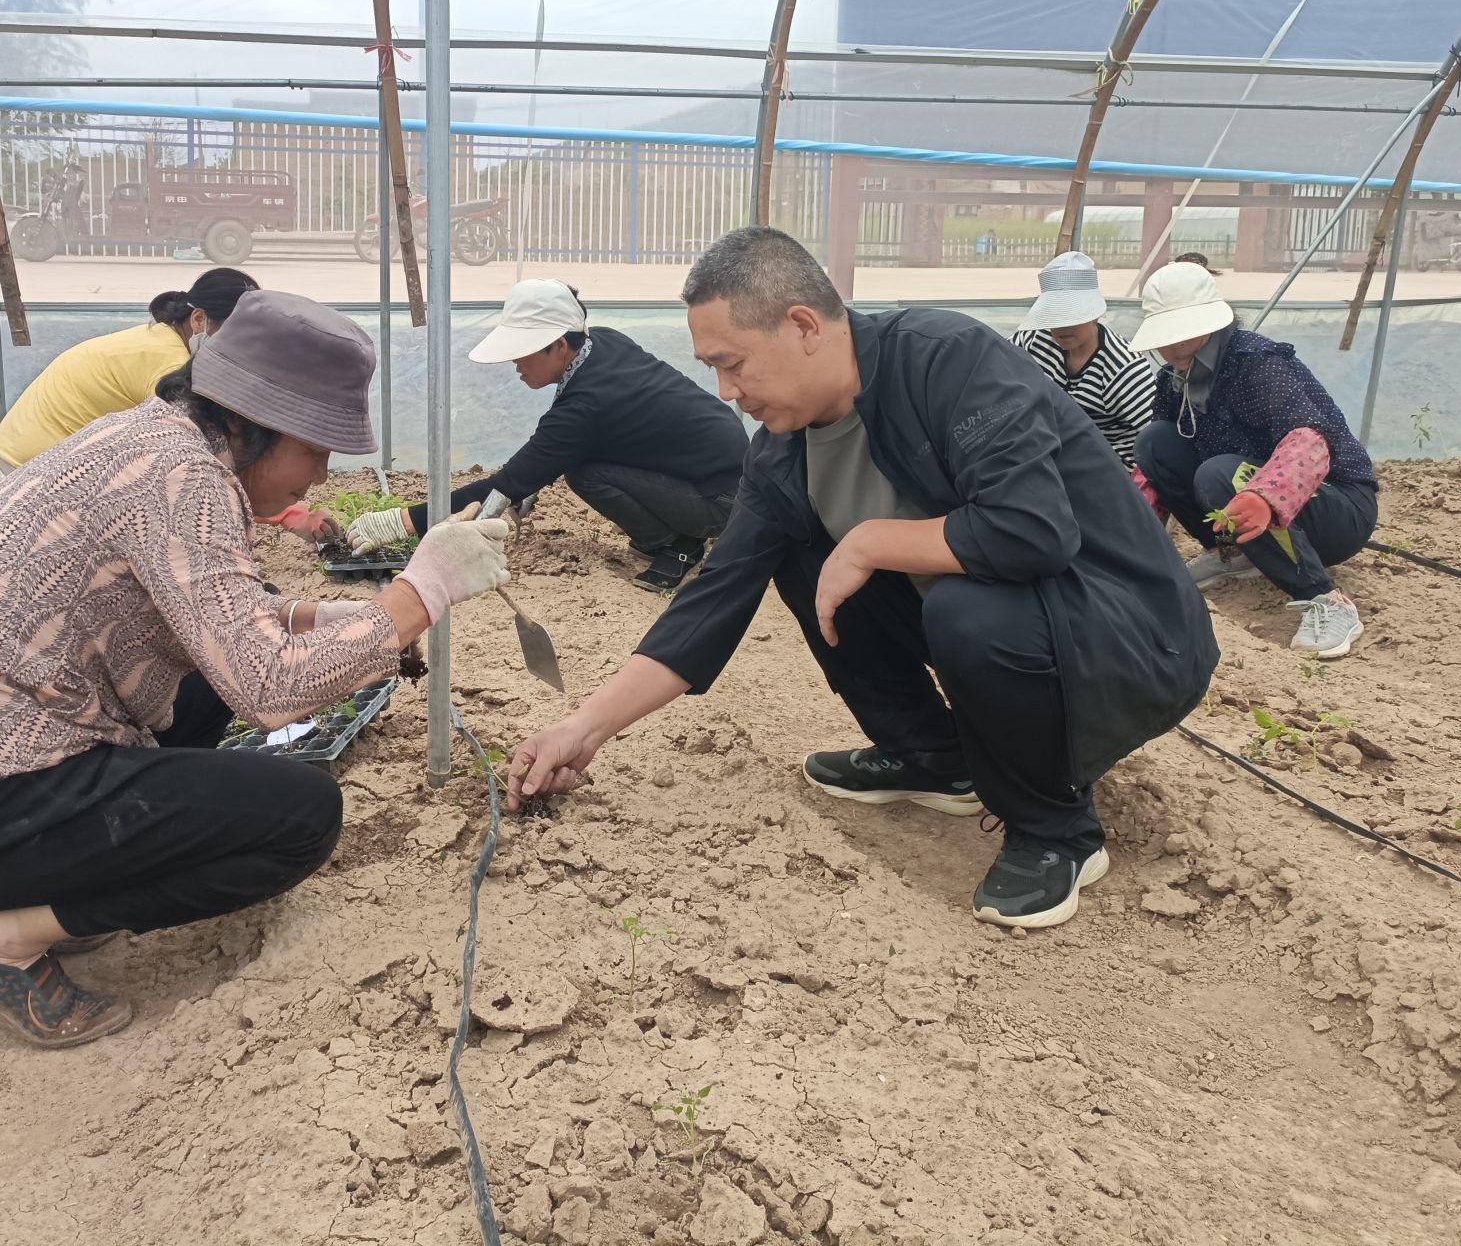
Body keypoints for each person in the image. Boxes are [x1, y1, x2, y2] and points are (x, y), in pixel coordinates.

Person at [0, 292, 512, 1049]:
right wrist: (421, 593)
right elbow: (269, 688)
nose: (323, 473)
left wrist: (329, 619)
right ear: (258, 423)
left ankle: (53, 883)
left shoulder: (158, 439)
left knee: (200, 689)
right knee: (299, 817)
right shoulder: (184, 481)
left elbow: (214, 613)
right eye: (316, 446)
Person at [502, 230, 1217, 931]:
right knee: (803, 556)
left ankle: (1057, 829)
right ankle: (936, 759)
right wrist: (582, 729)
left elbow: (1034, 529)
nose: (726, 392)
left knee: (964, 607)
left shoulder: (945, 359)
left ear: (803, 326)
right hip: (1024, 625)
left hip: (1131, 636)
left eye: (733, 364)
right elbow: (714, 597)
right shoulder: (782, 452)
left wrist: (872, 540)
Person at [345, 279, 748, 591]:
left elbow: (506, 485)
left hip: (723, 500)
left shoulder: (586, 407)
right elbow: (576, 440)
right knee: (582, 462)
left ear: (558, 346)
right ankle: (675, 531)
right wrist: (530, 480)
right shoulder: (603, 343)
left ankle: (677, 544)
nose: (515, 363)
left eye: (523, 350)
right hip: (730, 472)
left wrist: (402, 521)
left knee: (583, 473)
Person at [1129, 262, 1378, 660]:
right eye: (1166, 335)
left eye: (1183, 331)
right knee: (1154, 442)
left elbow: (1310, 440)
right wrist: (1128, 538)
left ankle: (1326, 600)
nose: (1173, 346)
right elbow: (1154, 473)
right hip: (1247, 497)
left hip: (1336, 506)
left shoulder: (1255, 362)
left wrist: (1266, 495)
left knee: (1219, 473)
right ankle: (1231, 554)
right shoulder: (1174, 381)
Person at [0, 267, 258, 484]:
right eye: (235, 333)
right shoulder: (169, 363)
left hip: (17, 456)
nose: (241, 346)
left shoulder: (160, 338)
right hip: (27, 474)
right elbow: (196, 449)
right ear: (198, 319)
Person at [1009, 251, 1154, 469]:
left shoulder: (1124, 367)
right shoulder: (1034, 341)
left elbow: (1152, 433)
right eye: (1054, 317)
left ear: (1094, 315)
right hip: (1050, 449)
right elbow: (994, 363)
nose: (1062, 327)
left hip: (1108, 464)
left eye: (1072, 316)